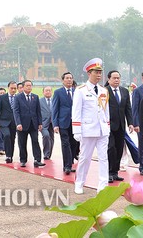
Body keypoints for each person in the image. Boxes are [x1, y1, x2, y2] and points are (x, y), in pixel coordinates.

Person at [72, 58, 110, 194]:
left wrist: (108, 126)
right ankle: (79, 183)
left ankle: (103, 184)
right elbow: (76, 111)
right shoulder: (81, 90)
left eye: (100, 72)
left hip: (102, 129)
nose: (99, 75)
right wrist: (76, 130)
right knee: (85, 158)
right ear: (89, 73)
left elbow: (106, 111)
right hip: (87, 130)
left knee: (104, 158)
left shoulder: (103, 90)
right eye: (96, 72)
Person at [106, 70, 134, 183]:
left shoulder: (124, 91)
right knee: (111, 149)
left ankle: (115, 172)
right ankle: (109, 172)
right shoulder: (104, 91)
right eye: (114, 78)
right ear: (109, 79)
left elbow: (128, 108)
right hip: (108, 126)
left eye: (118, 78)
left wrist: (131, 123)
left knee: (118, 149)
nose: (117, 80)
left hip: (121, 126)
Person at [13, 80, 45, 168]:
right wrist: (18, 123)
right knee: (22, 143)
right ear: (23, 87)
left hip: (33, 124)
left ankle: (37, 160)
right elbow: (16, 111)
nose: (29, 87)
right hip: (22, 125)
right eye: (27, 85)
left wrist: (40, 123)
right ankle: (23, 160)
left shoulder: (35, 97)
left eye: (30, 85)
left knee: (35, 141)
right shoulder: (18, 97)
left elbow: (38, 111)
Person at [52, 72, 78, 175]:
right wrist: (55, 124)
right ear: (63, 80)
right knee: (65, 143)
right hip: (63, 122)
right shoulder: (58, 92)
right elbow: (54, 109)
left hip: (75, 122)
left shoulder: (77, 92)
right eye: (67, 78)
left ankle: (70, 163)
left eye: (71, 78)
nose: (69, 80)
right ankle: (67, 166)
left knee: (74, 143)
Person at [0, 81, 18, 163]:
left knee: (12, 139)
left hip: (14, 122)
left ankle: (10, 156)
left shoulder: (18, 97)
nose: (13, 90)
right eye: (12, 88)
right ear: (8, 88)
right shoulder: (2, 97)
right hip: (4, 122)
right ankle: (8, 155)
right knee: (7, 135)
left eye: (15, 88)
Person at [39, 86, 55, 160]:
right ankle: (46, 153)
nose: (48, 92)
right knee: (46, 135)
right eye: (46, 90)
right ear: (43, 92)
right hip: (43, 123)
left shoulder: (54, 100)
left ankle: (49, 154)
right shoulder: (39, 101)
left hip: (53, 123)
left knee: (51, 138)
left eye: (49, 90)